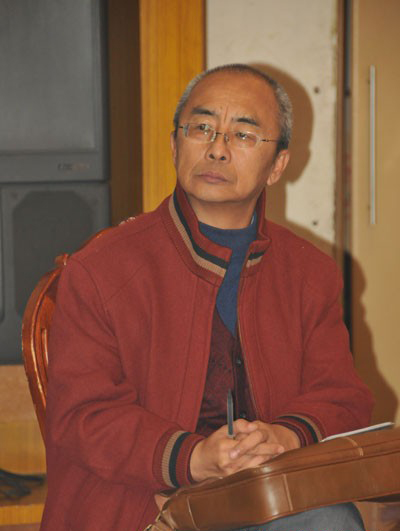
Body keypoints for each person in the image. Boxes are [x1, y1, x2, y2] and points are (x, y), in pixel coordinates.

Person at [41, 64, 373, 531]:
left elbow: (342, 398)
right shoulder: (101, 269)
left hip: (270, 496)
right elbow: (82, 416)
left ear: (278, 165)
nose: (217, 148)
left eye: (243, 135)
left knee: (330, 522)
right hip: (143, 506)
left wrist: (284, 436)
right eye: (201, 128)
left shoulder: (309, 272)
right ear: (175, 145)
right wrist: (194, 457)